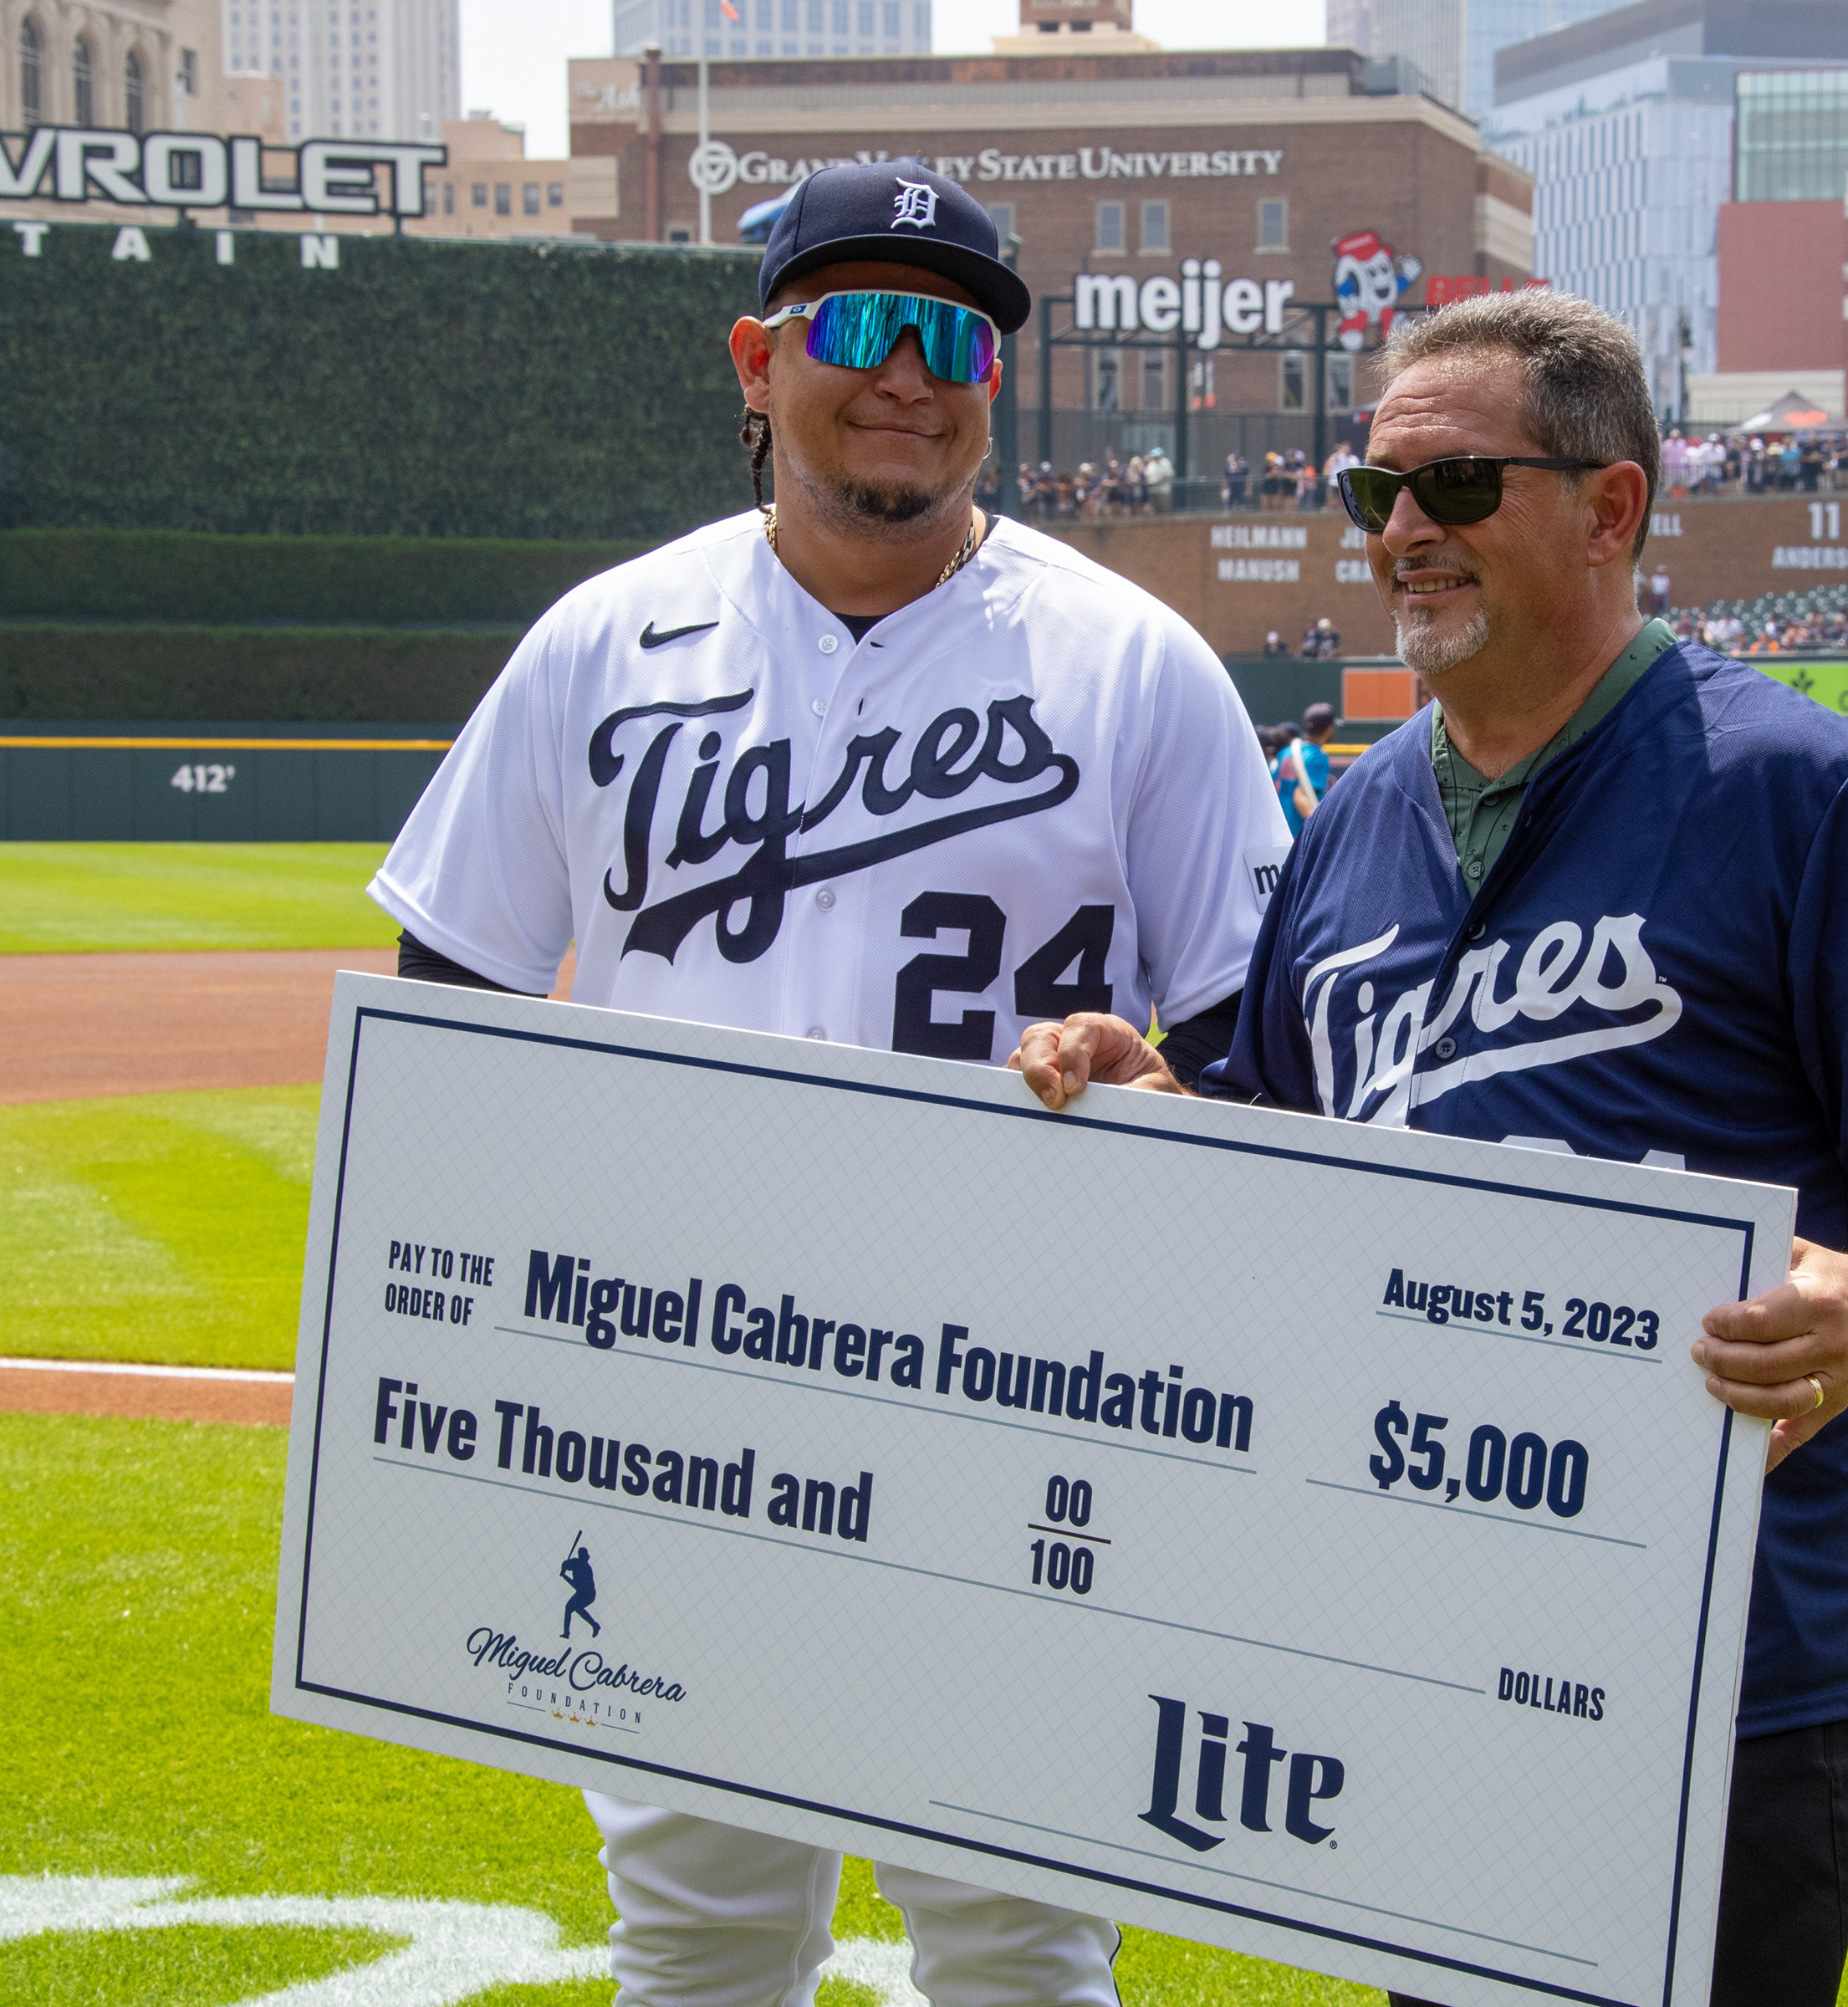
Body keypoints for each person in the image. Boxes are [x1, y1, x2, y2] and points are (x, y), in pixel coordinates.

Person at [1008, 289, 1848, 2007]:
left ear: (1613, 507)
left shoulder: (1797, 786)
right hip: (1419, 1633)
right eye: (1375, 494)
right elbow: (1292, 1169)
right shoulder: (1350, 818)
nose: (1404, 530)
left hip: (1730, 1649)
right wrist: (1161, 1109)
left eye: (1456, 486)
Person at [370, 157, 1287, 2007]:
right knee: (701, 1943)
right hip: (682, 1400)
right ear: (757, 358)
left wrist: (1159, 1091)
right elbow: (449, 1007)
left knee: (1021, 1948)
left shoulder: (1135, 665)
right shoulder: (601, 644)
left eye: (953, 333)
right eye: (861, 324)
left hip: (1019, 1403)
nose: (908, 373)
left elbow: (1262, 1051)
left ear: (994, 381)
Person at [1273, 699, 1336, 830]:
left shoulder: (1286, 752)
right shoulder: (1317, 757)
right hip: (1298, 837)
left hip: (1278, 833)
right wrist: (1321, 831)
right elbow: (1300, 796)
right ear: (1329, 729)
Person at [560, 1540, 602, 1640]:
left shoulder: (585, 1569)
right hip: (584, 1593)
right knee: (578, 1609)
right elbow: (567, 1564)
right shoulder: (577, 1563)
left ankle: (567, 1633)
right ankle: (594, 1625)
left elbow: (576, 1585)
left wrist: (564, 1576)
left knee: (569, 1607)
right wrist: (564, 1567)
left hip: (587, 1594)